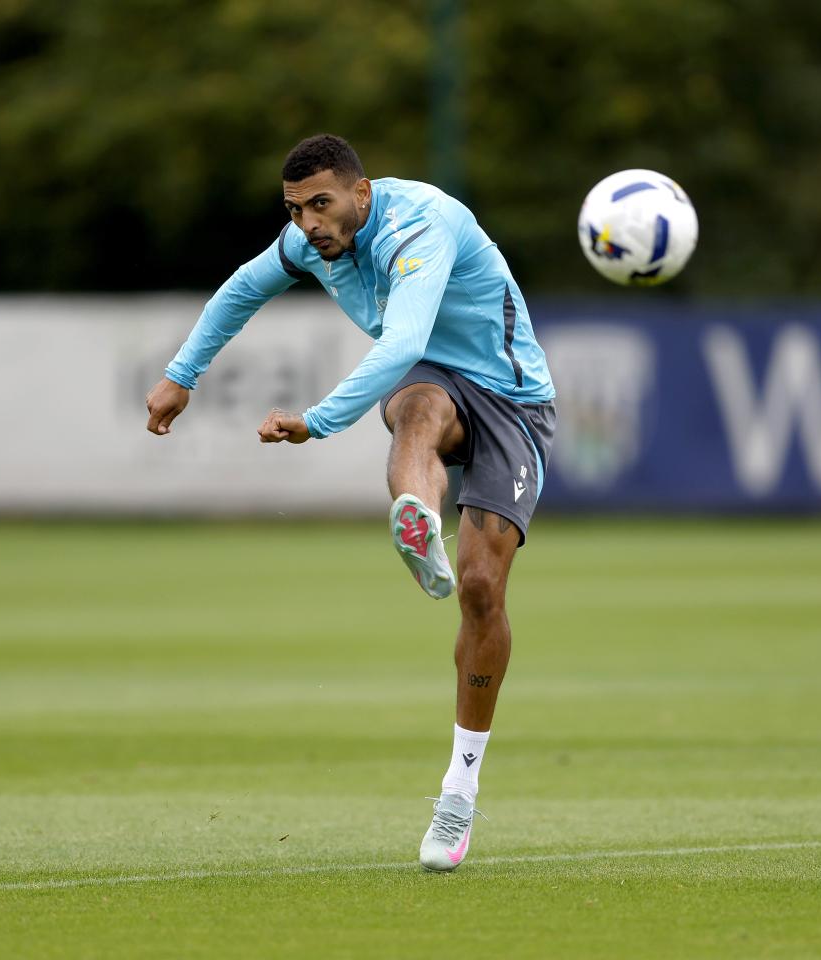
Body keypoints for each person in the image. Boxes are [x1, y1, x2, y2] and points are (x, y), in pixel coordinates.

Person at [145, 134, 556, 868]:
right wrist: (182, 374)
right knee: (419, 407)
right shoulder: (309, 242)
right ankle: (420, 523)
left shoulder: (419, 225)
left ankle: (459, 789)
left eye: (322, 204)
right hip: (437, 380)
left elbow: (399, 341)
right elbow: (242, 288)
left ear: (361, 195)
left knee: (483, 591)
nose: (308, 223)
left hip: (513, 401)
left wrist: (318, 421)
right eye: (296, 209)